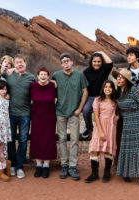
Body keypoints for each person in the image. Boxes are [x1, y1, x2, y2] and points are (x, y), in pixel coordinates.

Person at [52, 53, 89, 181]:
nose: (66, 63)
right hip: (60, 112)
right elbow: (50, 89)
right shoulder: (56, 75)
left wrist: (80, 108)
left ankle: (73, 166)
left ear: (72, 62)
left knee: (74, 140)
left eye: (68, 60)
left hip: (74, 112)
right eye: (63, 61)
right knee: (62, 139)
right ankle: (64, 165)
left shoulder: (79, 75)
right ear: (61, 64)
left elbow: (85, 92)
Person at [2, 54, 36, 179]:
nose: (19, 64)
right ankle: (12, 164)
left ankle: (20, 166)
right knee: (10, 140)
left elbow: (40, 88)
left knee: (22, 140)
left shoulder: (31, 77)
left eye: (21, 62)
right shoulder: (8, 75)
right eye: (17, 62)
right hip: (10, 113)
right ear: (14, 64)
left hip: (25, 114)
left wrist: (52, 82)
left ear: (25, 63)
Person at [84, 80, 119, 183]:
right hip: (100, 127)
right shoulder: (98, 100)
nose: (107, 89)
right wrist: (101, 132)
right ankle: (94, 174)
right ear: (103, 89)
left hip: (111, 127)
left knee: (108, 150)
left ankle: (106, 173)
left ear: (113, 89)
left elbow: (120, 111)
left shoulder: (115, 101)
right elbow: (96, 116)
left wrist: (116, 118)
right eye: (106, 87)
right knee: (95, 149)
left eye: (110, 87)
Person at [30, 67, 57, 179]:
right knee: (36, 139)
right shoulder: (33, 86)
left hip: (49, 117)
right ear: (37, 76)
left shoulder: (53, 86)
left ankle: (46, 165)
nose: (43, 76)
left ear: (48, 76)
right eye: (41, 74)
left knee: (48, 140)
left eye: (45, 74)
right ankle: (38, 165)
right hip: (36, 117)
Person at [82, 51, 113, 139]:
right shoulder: (86, 72)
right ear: (91, 62)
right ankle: (89, 128)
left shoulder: (104, 70)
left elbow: (110, 63)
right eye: (94, 61)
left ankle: (103, 130)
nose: (97, 63)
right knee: (86, 111)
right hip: (90, 97)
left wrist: (101, 52)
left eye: (99, 61)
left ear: (102, 62)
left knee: (104, 113)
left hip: (103, 97)